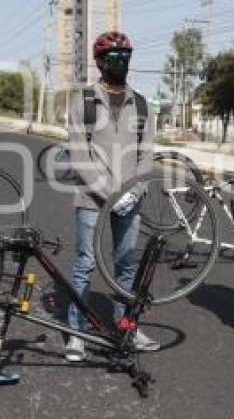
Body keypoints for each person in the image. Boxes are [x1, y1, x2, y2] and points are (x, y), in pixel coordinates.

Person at [64, 31, 159, 362]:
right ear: (100, 62)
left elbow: (146, 154)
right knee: (86, 264)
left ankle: (126, 327)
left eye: (126, 57)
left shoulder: (143, 104)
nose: (121, 63)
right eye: (114, 58)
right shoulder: (84, 103)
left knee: (125, 265)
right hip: (92, 200)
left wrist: (136, 190)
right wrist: (110, 194)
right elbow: (80, 156)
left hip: (130, 200)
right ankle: (76, 334)